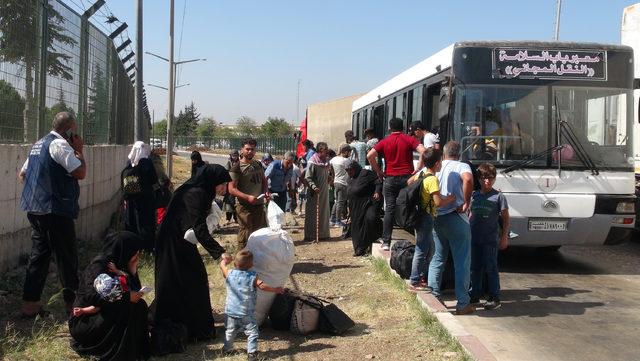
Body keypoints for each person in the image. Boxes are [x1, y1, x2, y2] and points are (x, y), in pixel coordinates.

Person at [18, 111, 87, 317]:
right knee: (67, 257)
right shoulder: (60, 145)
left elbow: (22, 175)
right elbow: (80, 173)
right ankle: (72, 306)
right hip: (55, 211)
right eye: (74, 131)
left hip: (35, 209)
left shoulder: (38, 145)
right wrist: (79, 151)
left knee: (39, 257)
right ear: (69, 130)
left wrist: (42, 186)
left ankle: (30, 305)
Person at [152, 164, 230, 344]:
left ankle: (191, 325)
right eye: (222, 184)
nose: (224, 188)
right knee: (187, 279)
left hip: (180, 241)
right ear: (213, 181)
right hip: (172, 243)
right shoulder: (195, 193)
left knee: (186, 280)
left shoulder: (201, 192)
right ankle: (194, 327)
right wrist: (219, 253)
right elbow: (199, 227)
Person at [68, 231, 150, 361]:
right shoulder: (98, 266)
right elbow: (92, 297)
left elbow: (134, 291)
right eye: (134, 251)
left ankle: (135, 349)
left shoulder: (120, 263)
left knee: (139, 306)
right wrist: (126, 298)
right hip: (85, 320)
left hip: (103, 312)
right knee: (127, 308)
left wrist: (133, 271)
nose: (137, 255)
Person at [427, 141, 475, 315]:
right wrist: (466, 202)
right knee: (462, 262)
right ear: (459, 153)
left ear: (444, 154)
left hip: (437, 218)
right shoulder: (462, 165)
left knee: (438, 258)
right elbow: (468, 179)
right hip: (457, 218)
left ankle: (434, 297)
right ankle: (463, 304)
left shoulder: (436, 169)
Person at [367, 117, 427, 251]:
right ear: (403, 128)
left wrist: (378, 172)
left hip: (390, 179)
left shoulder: (385, 141)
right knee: (412, 205)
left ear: (390, 128)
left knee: (390, 209)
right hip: (407, 179)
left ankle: (386, 242)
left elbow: (370, 155)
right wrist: (418, 167)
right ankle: (418, 239)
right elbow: (424, 151)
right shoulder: (409, 139)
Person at [219, 250, 284, 360]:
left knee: (230, 331)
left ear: (235, 263)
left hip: (231, 311)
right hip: (246, 312)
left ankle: (226, 349)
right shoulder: (252, 277)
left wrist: (225, 261)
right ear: (252, 265)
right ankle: (252, 354)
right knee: (252, 333)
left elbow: (222, 266)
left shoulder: (229, 273)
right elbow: (262, 286)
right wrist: (276, 289)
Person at [406, 149, 455, 292]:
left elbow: (409, 182)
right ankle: (415, 281)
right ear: (437, 163)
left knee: (427, 249)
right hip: (426, 217)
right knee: (422, 250)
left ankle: (419, 277)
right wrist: (451, 198)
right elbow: (438, 202)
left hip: (418, 215)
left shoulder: (421, 174)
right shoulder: (432, 179)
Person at [469, 163, 510, 310]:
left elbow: (505, 218)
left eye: (491, 178)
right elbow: (468, 213)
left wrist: (504, 237)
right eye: (484, 178)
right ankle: (474, 294)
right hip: (474, 239)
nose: (487, 181)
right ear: (479, 179)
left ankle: (494, 297)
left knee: (491, 267)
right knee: (474, 268)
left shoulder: (499, 197)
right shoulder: (473, 195)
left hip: (490, 240)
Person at [228, 138, 270, 249]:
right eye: (247, 149)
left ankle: (257, 262)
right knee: (245, 236)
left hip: (259, 206)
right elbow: (231, 189)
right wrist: (248, 197)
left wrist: (265, 191)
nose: (250, 151)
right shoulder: (236, 167)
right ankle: (242, 263)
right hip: (244, 208)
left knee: (260, 234)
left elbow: (264, 180)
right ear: (242, 150)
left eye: (252, 149)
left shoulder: (258, 164)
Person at [121, 141, 158, 252]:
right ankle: (147, 248)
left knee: (132, 221)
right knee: (146, 223)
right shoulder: (147, 162)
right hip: (146, 199)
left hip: (133, 199)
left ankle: (133, 248)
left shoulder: (130, 161)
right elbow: (154, 180)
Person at [345, 160, 382, 256]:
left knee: (371, 218)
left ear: (355, 168)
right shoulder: (350, 179)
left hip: (368, 203)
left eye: (350, 170)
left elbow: (378, 181)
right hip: (355, 207)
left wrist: (377, 191)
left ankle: (374, 238)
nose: (349, 172)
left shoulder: (365, 174)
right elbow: (350, 194)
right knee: (356, 227)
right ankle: (359, 249)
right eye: (347, 171)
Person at [304, 142, 332, 241]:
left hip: (324, 191)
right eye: (325, 149)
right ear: (320, 150)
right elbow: (308, 178)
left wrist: (329, 178)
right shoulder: (312, 162)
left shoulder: (326, 161)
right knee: (313, 214)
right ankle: (311, 235)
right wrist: (314, 187)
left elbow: (328, 174)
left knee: (324, 213)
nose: (327, 151)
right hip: (315, 193)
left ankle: (323, 234)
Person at [330, 143, 351, 227]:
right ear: (345, 152)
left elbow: (330, 169)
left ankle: (332, 219)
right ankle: (338, 221)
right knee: (340, 203)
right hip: (343, 183)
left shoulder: (334, 159)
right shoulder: (346, 161)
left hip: (336, 182)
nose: (350, 154)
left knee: (337, 201)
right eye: (349, 152)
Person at [223, 151, 240, 224]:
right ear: (231, 156)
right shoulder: (229, 163)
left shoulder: (240, 162)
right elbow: (226, 172)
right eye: (233, 156)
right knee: (229, 202)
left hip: (238, 185)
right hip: (230, 185)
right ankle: (228, 218)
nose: (234, 157)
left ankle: (236, 218)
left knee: (237, 203)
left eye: (236, 155)